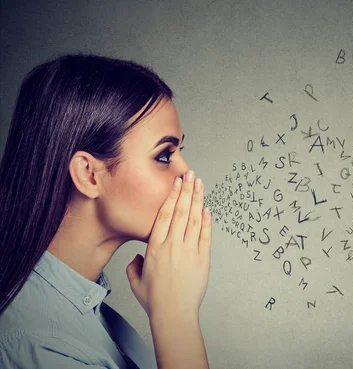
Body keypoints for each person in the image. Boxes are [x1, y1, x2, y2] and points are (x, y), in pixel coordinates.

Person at [0, 54, 212, 369]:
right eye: (164, 156)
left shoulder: (92, 314)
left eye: (180, 151)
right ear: (88, 174)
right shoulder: (40, 346)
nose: (188, 173)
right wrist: (175, 316)